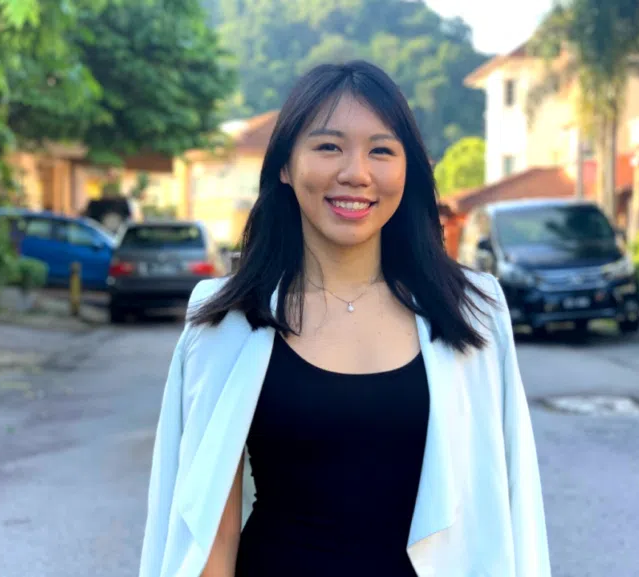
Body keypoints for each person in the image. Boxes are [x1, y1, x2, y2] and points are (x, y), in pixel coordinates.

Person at [139, 60, 550, 577]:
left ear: (408, 171)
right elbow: (208, 538)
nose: (356, 172)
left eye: (382, 150)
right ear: (285, 166)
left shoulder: (473, 311)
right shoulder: (225, 320)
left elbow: (508, 501)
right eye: (329, 146)